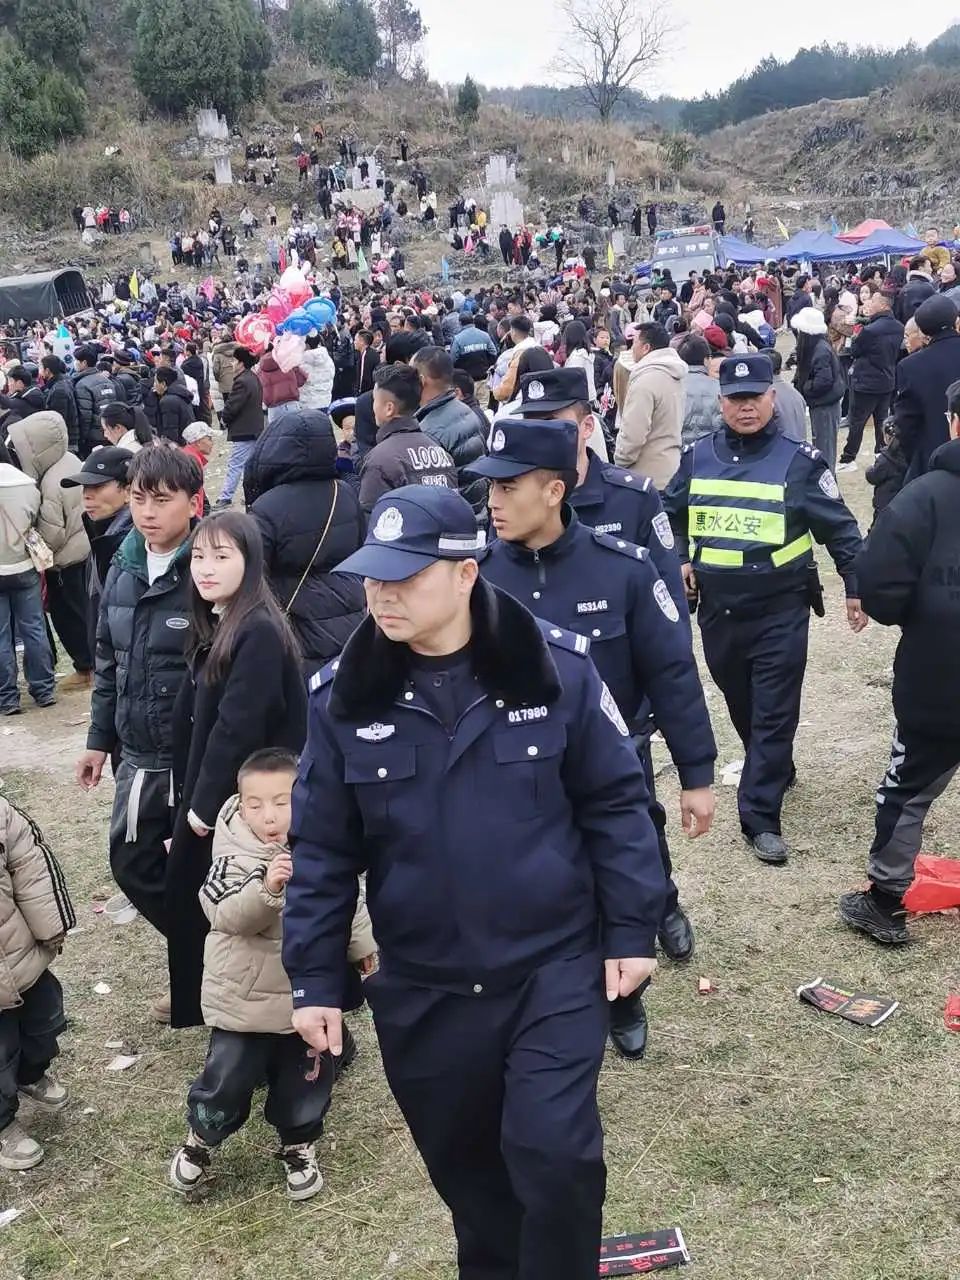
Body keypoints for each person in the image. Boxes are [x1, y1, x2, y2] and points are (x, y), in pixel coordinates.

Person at [283, 484, 667, 1280]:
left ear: (465, 574)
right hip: (427, 989)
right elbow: (321, 848)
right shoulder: (341, 700)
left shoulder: (555, 668)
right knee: (471, 1180)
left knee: (553, 1157)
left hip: (551, 970)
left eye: (405, 577)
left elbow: (617, 802)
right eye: (373, 577)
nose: (381, 595)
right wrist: (314, 978)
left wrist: (632, 928)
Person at [473, 419, 715, 1059]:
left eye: (509, 485)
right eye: (489, 486)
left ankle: (623, 993)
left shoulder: (624, 572)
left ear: (554, 491)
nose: (493, 500)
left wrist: (697, 773)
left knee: (618, 875)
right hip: (506, 774)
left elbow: (671, 673)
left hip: (607, 767)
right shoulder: (472, 578)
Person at [661, 355, 866, 864]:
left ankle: (759, 815)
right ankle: (774, 766)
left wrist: (856, 586)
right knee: (741, 701)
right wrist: (681, 557)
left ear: (772, 397)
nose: (746, 407)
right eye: (736, 398)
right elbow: (669, 514)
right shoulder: (697, 457)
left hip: (780, 608)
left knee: (774, 712)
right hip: (719, 612)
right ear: (721, 401)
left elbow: (840, 529)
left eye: (755, 396)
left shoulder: (801, 460)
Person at [169, 748, 376, 1198]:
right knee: (226, 1079)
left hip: (308, 999)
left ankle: (298, 1143)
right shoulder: (230, 859)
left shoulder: (320, 851)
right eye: (255, 805)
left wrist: (363, 947)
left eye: (283, 803)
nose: (270, 817)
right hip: (244, 1003)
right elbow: (225, 915)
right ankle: (200, 1141)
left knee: (306, 1080)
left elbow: (347, 901)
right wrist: (267, 888)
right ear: (239, 806)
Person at [167, 511, 309, 1028]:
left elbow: (237, 729)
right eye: (199, 556)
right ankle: (210, 1003)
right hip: (227, 793)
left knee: (239, 906)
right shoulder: (225, 621)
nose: (205, 568)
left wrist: (202, 809)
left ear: (250, 564)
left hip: (249, 799)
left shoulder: (259, 630)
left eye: (222, 557)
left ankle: (236, 1011)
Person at [76, 448, 203, 1021]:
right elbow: (108, 660)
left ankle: (206, 982)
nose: (147, 512)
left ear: (191, 502)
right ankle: (208, 961)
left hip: (193, 757)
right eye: (139, 498)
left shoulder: (209, 564)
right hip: (137, 751)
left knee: (195, 870)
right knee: (132, 863)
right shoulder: (121, 561)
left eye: (162, 499)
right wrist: (99, 740)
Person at [840, 378, 960, 944]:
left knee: (907, 788)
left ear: (952, 421)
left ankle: (885, 899)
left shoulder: (924, 495)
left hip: (940, 677)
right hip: (940, 674)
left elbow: (880, 583)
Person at [514, 368, 684, 608]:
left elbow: (668, 592)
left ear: (587, 428)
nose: (540, 435)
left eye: (552, 423)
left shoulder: (633, 499)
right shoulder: (512, 500)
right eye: (531, 425)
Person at [244, 409, 366, 677]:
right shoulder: (344, 493)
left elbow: (254, 574)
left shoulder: (266, 507)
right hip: (350, 617)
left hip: (299, 625)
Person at [0, 795, 75, 1170]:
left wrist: (49, 928)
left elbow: (30, 867)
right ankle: (3, 1124)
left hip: (18, 953)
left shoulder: (1, 813)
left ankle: (31, 1074)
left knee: (46, 1020)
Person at [7, 412, 93, 692]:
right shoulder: (67, 460)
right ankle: (89, 664)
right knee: (84, 613)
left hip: (64, 561)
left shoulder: (52, 483)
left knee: (67, 617)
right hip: (80, 551)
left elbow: (52, 532)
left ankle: (85, 668)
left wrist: (32, 548)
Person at [60, 447, 134, 662]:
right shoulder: (102, 533)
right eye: (84, 487)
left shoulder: (137, 544)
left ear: (129, 491)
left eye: (98, 486)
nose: (86, 495)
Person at [0, 444, 56, 714]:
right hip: (23, 565)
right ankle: (44, 689)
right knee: (34, 629)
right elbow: (35, 518)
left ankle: (7, 697)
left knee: (1, 636)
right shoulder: (25, 484)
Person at [358, 364, 457, 514]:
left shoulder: (379, 461)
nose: (373, 407)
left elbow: (372, 522)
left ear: (389, 408)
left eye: (374, 400)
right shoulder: (440, 451)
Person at [410, 347, 488, 520]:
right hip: (476, 509)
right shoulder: (466, 410)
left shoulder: (429, 430)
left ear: (421, 381)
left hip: (453, 521)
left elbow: (432, 494)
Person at [837, 287, 904, 472]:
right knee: (881, 418)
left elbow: (855, 351)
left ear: (882, 305)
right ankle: (881, 452)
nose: (869, 304)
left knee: (857, 421)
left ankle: (848, 458)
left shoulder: (870, 331)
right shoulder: (899, 327)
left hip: (866, 382)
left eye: (873, 301)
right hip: (888, 379)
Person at [893, 295, 960, 479]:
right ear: (956, 320)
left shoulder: (911, 366)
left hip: (933, 462)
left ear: (922, 331)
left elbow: (905, 423)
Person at [615, 323, 687, 490]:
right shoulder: (675, 374)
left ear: (645, 347)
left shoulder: (645, 380)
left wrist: (619, 462)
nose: (631, 348)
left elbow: (633, 434)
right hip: (671, 467)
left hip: (645, 477)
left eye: (634, 343)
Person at [789, 309, 846, 473]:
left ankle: (826, 480)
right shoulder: (818, 347)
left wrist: (805, 387)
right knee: (822, 443)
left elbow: (824, 381)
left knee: (825, 446)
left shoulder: (820, 350)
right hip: (822, 404)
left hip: (825, 406)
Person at [218, 346, 265, 508]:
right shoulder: (252, 377)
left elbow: (232, 406)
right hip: (254, 428)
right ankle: (252, 494)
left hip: (244, 429)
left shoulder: (242, 381)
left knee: (235, 464)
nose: (232, 363)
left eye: (234, 360)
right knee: (248, 465)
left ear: (241, 363)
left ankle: (225, 497)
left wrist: (224, 419)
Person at [72, 346, 119, 458]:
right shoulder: (107, 381)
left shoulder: (82, 385)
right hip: (109, 432)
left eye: (77, 360)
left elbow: (85, 416)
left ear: (84, 362)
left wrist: (82, 439)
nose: (75, 363)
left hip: (92, 437)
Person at [677, 335, 723, 446]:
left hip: (677, 451)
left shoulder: (671, 387)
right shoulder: (720, 387)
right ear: (707, 360)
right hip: (711, 449)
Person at [864, 419, 907, 524]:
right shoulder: (909, 455)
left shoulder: (885, 459)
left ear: (887, 437)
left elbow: (873, 476)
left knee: (876, 531)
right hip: (903, 503)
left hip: (884, 504)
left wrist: (869, 469)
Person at [258, 348, 308, 425]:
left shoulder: (260, 370)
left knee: (276, 434)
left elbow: (259, 390)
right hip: (291, 404)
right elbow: (301, 380)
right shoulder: (287, 362)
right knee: (295, 432)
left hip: (273, 409)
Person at [38, 357, 78, 453]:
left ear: (47, 370)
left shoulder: (58, 390)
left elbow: (58, 419)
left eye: (41, 367)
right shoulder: (64, 381)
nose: (39, 371)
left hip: (66, 441)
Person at [153, 367, 195, 445]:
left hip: (179, 447)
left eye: (155, 382)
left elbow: (170, 434)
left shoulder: (168, 402)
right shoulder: (181, 393)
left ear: (163, 384)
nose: (154, 385)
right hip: (187, 441)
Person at [181, 422, 215, 514]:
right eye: (209, 439)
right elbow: (196, 494)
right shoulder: (193, 461)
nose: (212, 443)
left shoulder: (186, 454)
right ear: (199, 442)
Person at [299, 334, 335, 411]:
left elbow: (299, 381)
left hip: (308, 403)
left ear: (307, 345)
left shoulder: (302, 362)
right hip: (325, 401)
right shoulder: (327, 358)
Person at [894, 257, 935, 323]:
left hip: (906, 328)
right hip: (921, 328)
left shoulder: (905, 287)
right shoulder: (927, 287)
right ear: (921, 268)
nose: (931, 269)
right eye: (929, 266)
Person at [353, 331, 380, 397]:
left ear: (362, 342)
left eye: (355, 340)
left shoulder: (366, 356)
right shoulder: (372, 352)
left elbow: (363, 378)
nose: (354, 342)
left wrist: (359, 393)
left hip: (365, 394)